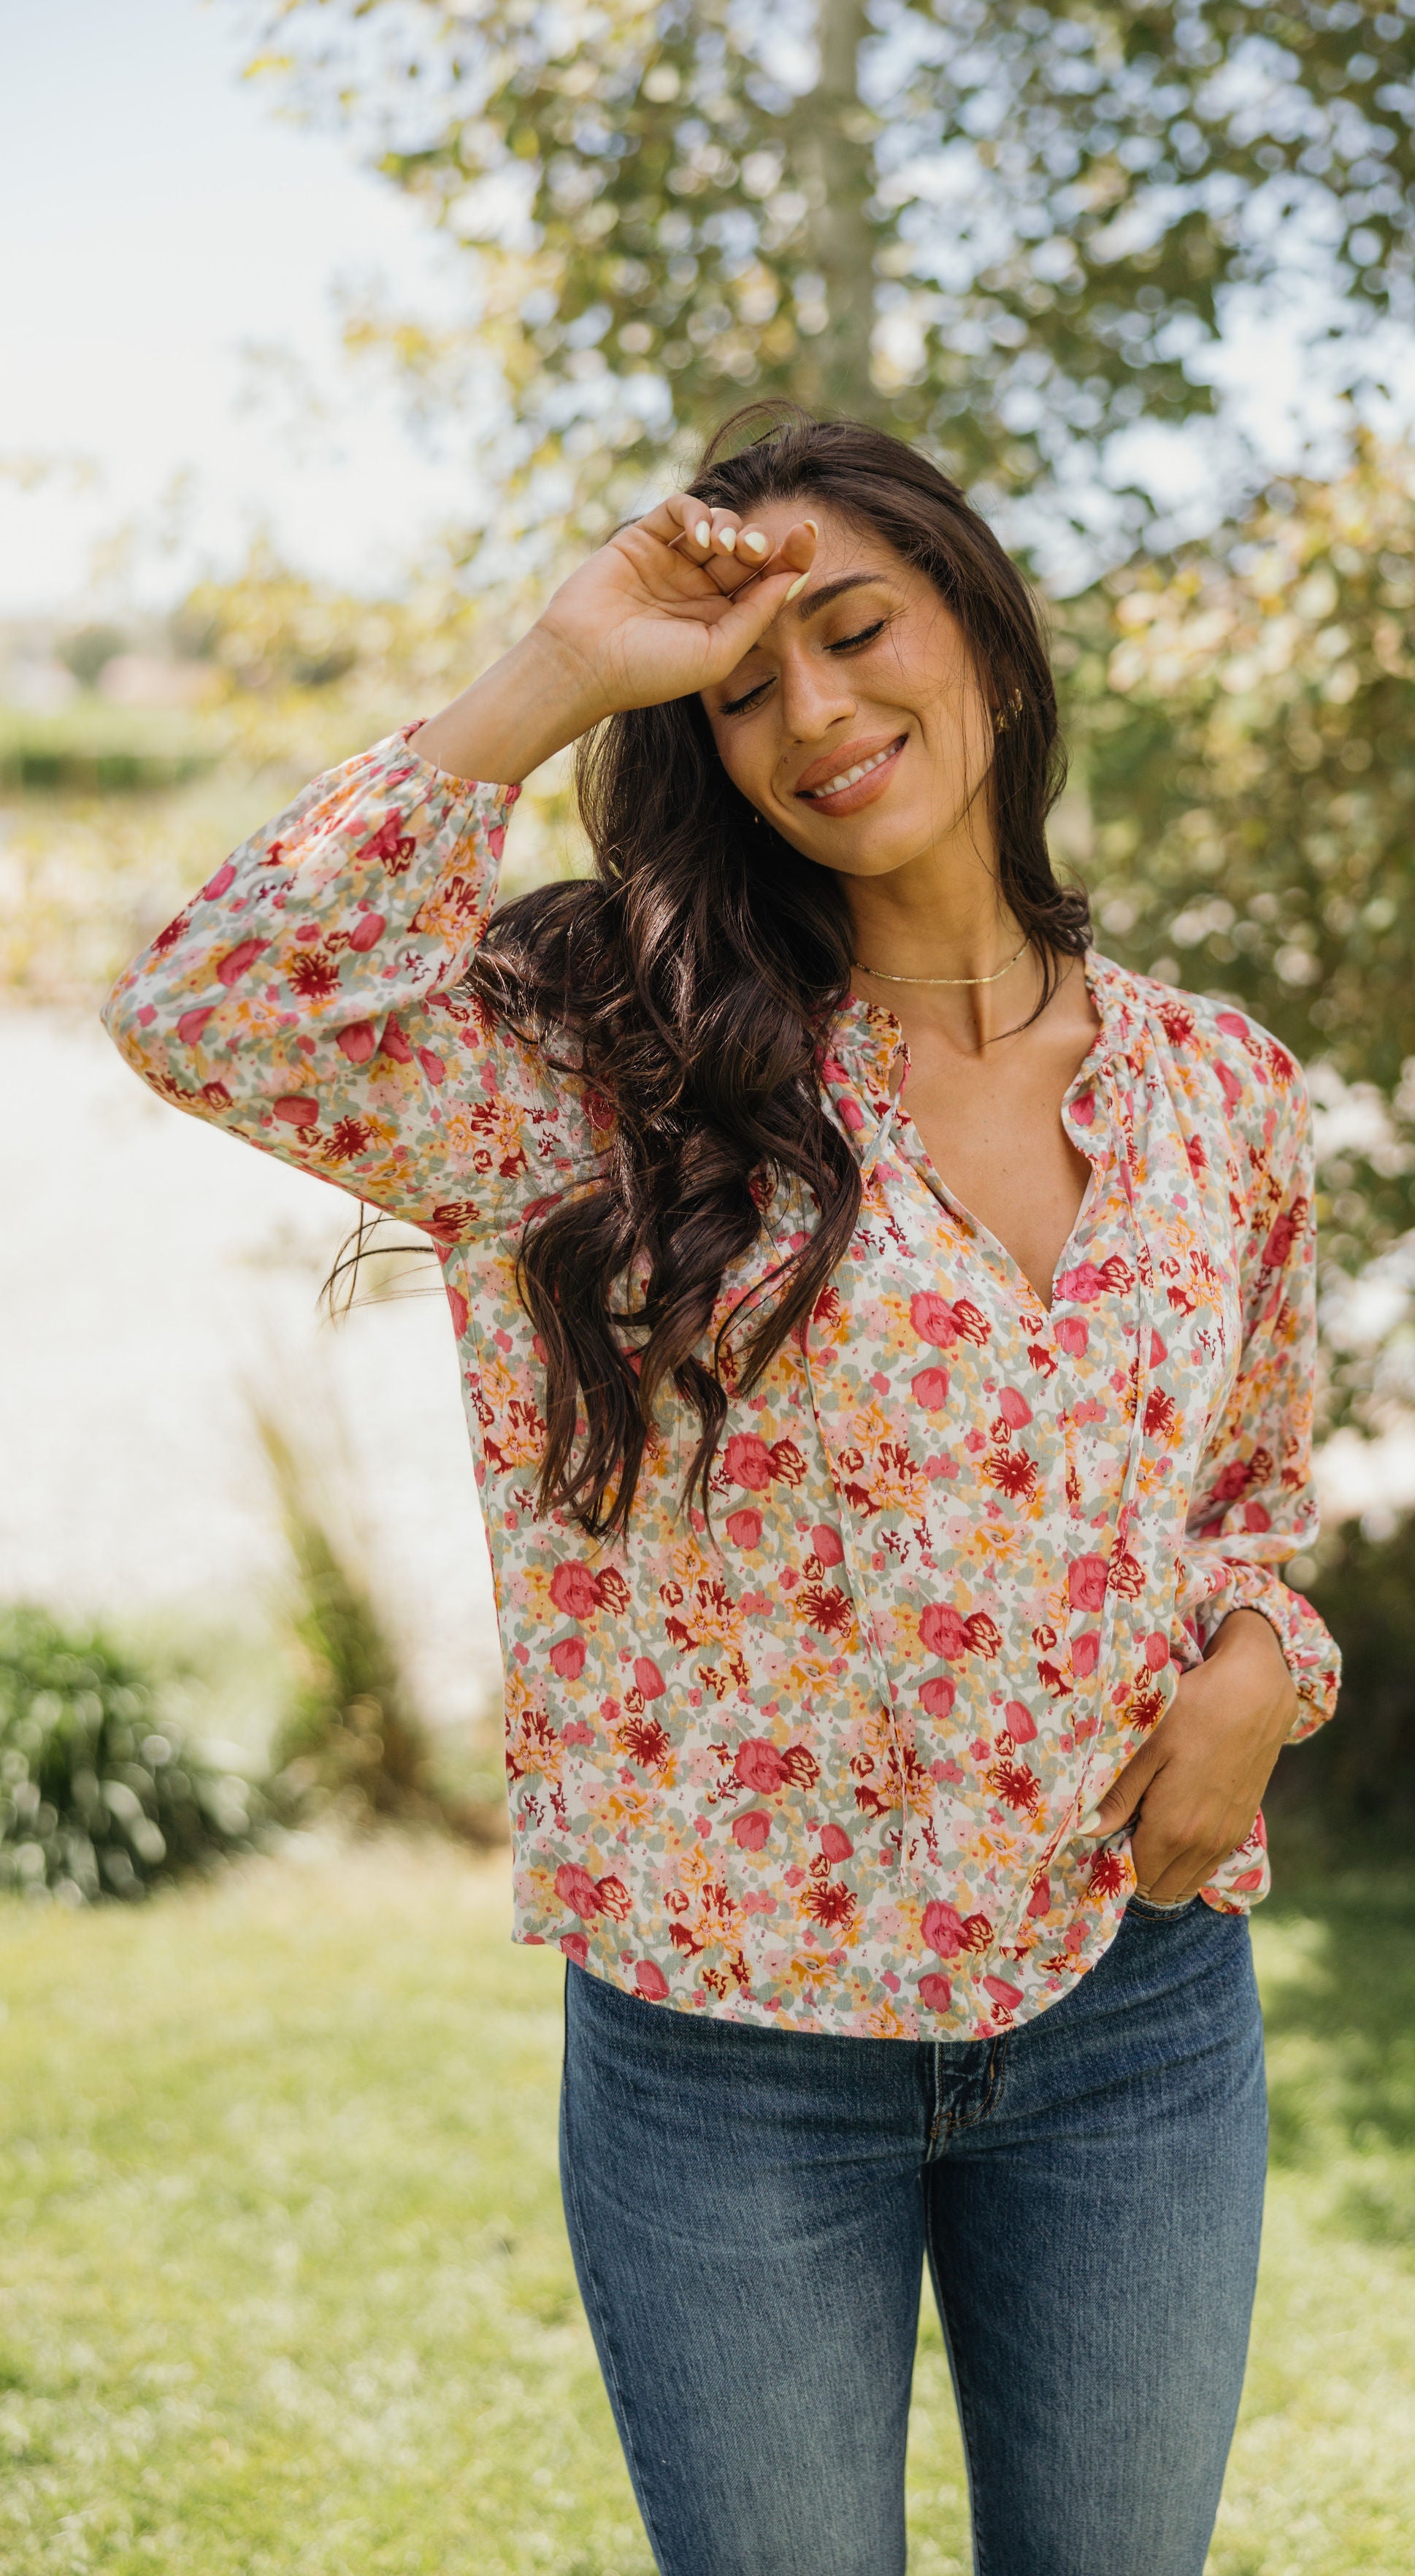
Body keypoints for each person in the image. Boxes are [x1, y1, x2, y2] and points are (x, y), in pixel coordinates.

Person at [104, 405, 1340, 2576]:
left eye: (857, 633)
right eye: (745, 687)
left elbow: (1249, 1495)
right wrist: (561, 664)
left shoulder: (1219, 1086)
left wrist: (1264, 1667)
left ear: (982, 626)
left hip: (1131, 2016)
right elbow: (216, 1005)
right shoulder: (609, 1078)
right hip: (731, 2054)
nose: (818, 718)